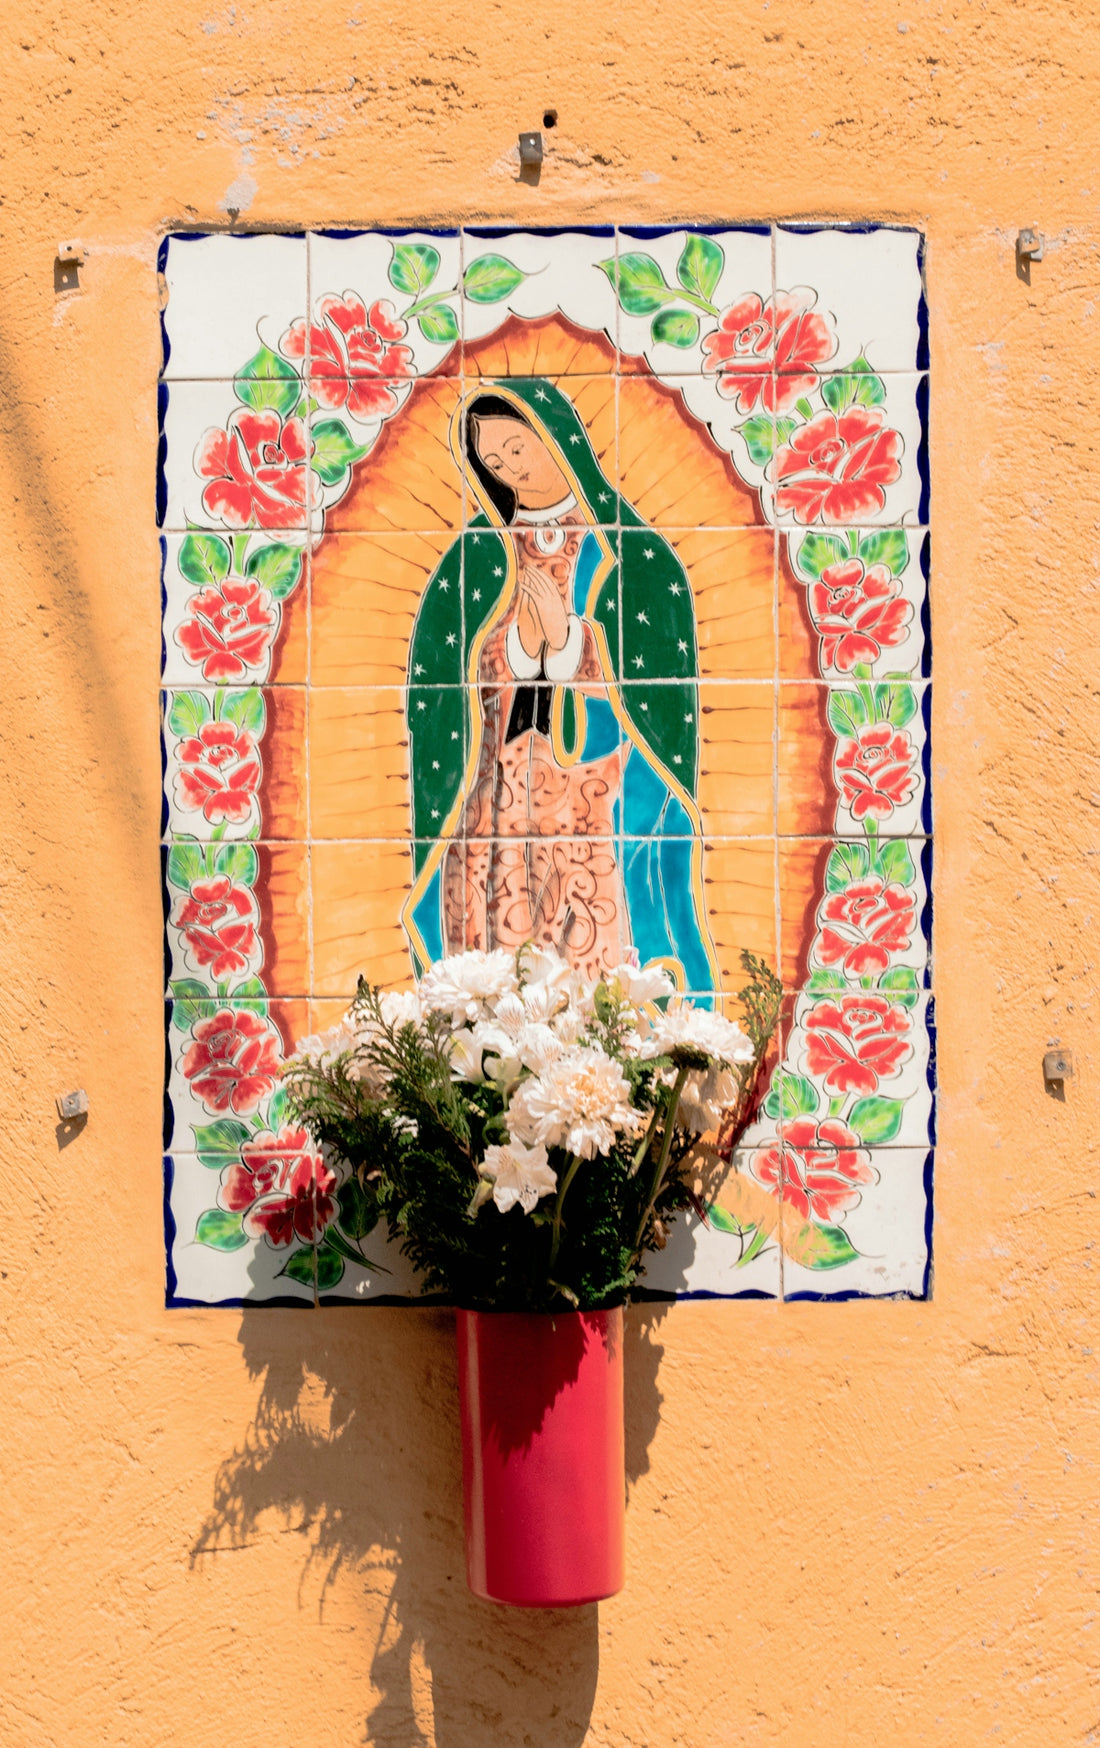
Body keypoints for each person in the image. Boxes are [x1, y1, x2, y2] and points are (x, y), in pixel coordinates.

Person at [402, 378, 719, 994]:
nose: (510, 471)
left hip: (597, 786)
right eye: (493, 463)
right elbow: (446, 675)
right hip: (500, 784)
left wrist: (572, 643)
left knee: (596, 953)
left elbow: (653, 673)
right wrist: (519, 647)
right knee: (505, 951)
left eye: (518, 450)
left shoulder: (627, 550)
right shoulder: (478, 556)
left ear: (556, 441)